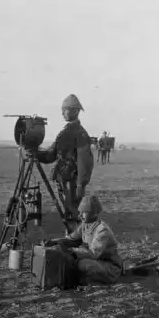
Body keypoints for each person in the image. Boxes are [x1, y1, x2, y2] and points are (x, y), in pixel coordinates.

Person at [35, 94, 94, 224]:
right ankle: (72, 234)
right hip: (63, 180)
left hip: (72, 182)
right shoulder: (65, 132)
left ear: (76, 111)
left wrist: (80, 184)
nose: (62, 113)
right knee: (68, 212)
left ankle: (79, 234)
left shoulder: (80, 134)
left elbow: (85, 162)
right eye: (62, 109)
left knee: (75, 213)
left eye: (65, 109)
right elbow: (50, 155)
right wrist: (34, 152)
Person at [47, 195, 122, 284]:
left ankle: (89, 282)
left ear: (94, 213)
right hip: (97, 261)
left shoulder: (102, 230)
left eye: (84, 212)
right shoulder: (84, 225)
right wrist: (54, 242)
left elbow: (93, 253)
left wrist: (72, 251)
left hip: (110, 267)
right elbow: (70, 239)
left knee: (83, 264)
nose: (80, 215)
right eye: (80, 212)